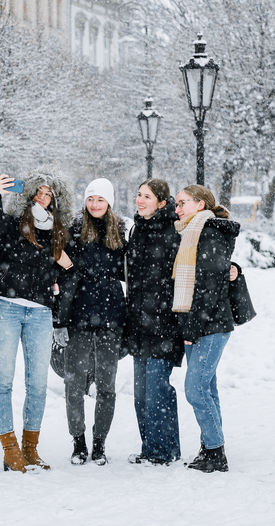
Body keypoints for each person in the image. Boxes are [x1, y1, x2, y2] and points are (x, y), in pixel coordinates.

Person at [0, 171, 75, 473]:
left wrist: (64, 267)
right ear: (29, 195)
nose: (43, 197)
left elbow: (69, 271)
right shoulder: (12, 226)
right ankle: (10, 450)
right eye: (38, 192)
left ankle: (30, 448)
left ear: (54, 201)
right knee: (3, 381)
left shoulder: (57, 232)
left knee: (37, 385)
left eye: (48, 194)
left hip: (40, 313)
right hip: (6, 309)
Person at [55, 178, 126, 466]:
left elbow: (129, 274)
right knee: (74, 384)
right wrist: (60, 320)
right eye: (90, 199)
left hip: (110, 317)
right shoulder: (72, 232)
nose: (95, 204)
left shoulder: (120, 231)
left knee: (107, 386)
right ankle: (78, 441)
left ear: (109, 202)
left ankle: (100, 443)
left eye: (100, 199)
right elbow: (63, 276)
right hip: (78, 317)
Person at [173, 184, 241, 473]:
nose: (177, 209)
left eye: (183, 203)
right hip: (201, 322)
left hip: (210, 325)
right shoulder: (192, 231)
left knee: (196, 389)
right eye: (176, 203)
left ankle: (216, 451)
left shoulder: (209, 232)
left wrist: (192, 328)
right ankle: (210, 446)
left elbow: (209, 287)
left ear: (200, 205)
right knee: (207, 388)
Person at [124, 178, 183, 466]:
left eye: (146, 196)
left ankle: (162, 451)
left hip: (163, 324)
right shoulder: (137, 229)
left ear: (162, 202)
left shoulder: (174, 230)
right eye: (138, 195)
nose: (140, 200)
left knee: (157, 392)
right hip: (138, 324)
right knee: (141, 395)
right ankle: (154, 448)